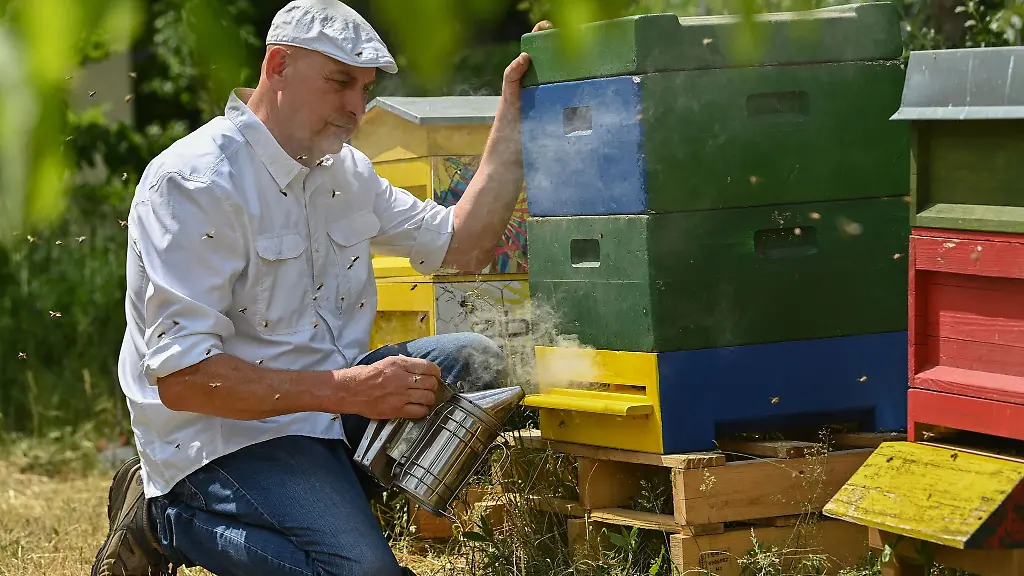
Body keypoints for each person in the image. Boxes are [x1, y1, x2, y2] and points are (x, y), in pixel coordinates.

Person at [90, 1, 552, 574]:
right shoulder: (195, 182)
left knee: (472, 361)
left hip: (325, 410)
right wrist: (351, 391)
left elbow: (465, 244)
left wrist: (516, 110)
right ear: (278, 66)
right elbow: (187, 381)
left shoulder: (345, 172)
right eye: (340, 83)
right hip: (222, 434)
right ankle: (164, 519)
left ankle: (337, 500)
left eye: (365, 87)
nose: (357, 107)